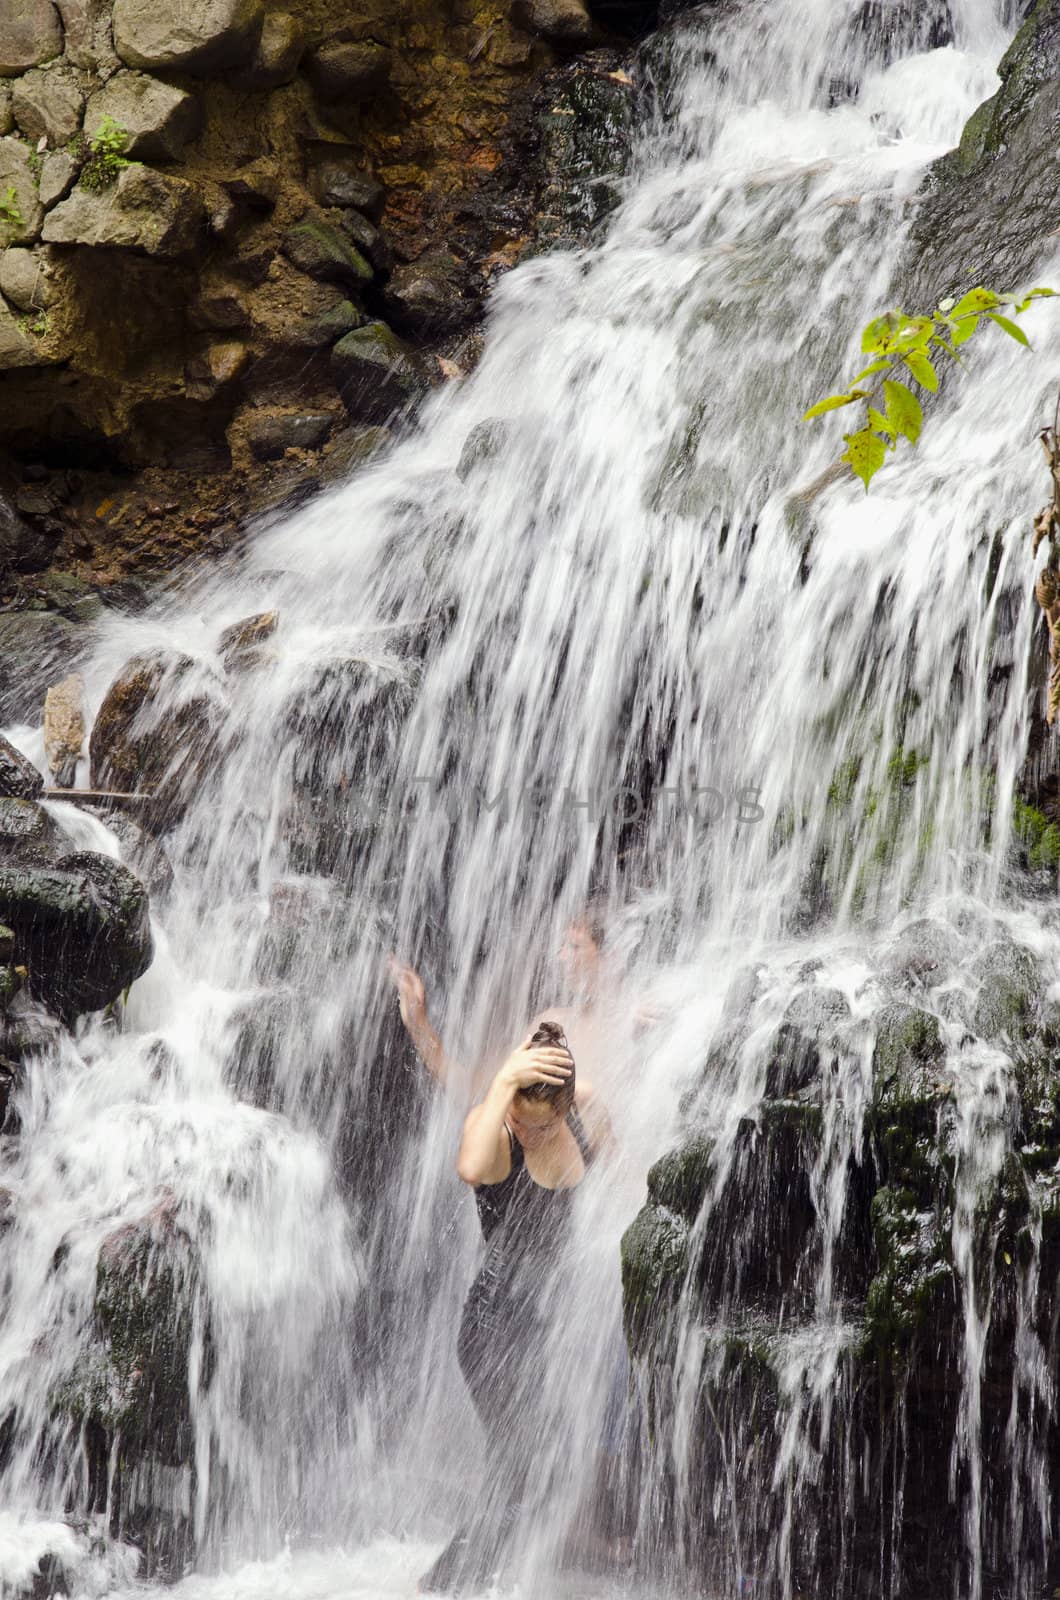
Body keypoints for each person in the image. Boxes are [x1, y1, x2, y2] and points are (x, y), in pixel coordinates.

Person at [418, 1020, 613, 1595]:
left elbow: (617, 1177)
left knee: (527, 1472)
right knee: (520, 1469)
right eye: (519, 1120)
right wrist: (505, 1080)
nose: (526, 1132)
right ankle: (449, 1587)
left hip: (544, 1329)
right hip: (491, 1328)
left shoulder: (585, 1113)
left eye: (541, 1123)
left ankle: (468, 1583)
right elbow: (469, 1170)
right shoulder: (494, 1128)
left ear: (564, 1107)